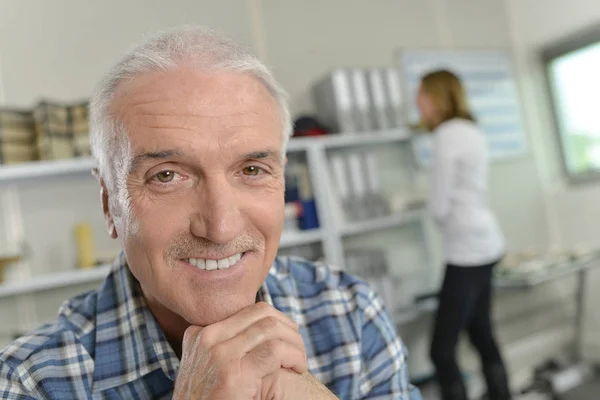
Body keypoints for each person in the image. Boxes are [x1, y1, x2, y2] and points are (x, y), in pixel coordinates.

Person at [0, 26, 421, 400]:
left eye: (252, 169)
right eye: (167, 176)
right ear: (109, 200)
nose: (220, 227)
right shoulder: (29, 383)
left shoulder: (350, 315)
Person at [416, 70, 511, 400]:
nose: (418, 101)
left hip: (466, 249)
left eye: (422, 94)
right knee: (482, 332)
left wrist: (437, 213)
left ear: (438, 97)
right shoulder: (471, 130)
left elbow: (440, 204)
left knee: (441, 349)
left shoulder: (446, 134)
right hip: (487, 240)